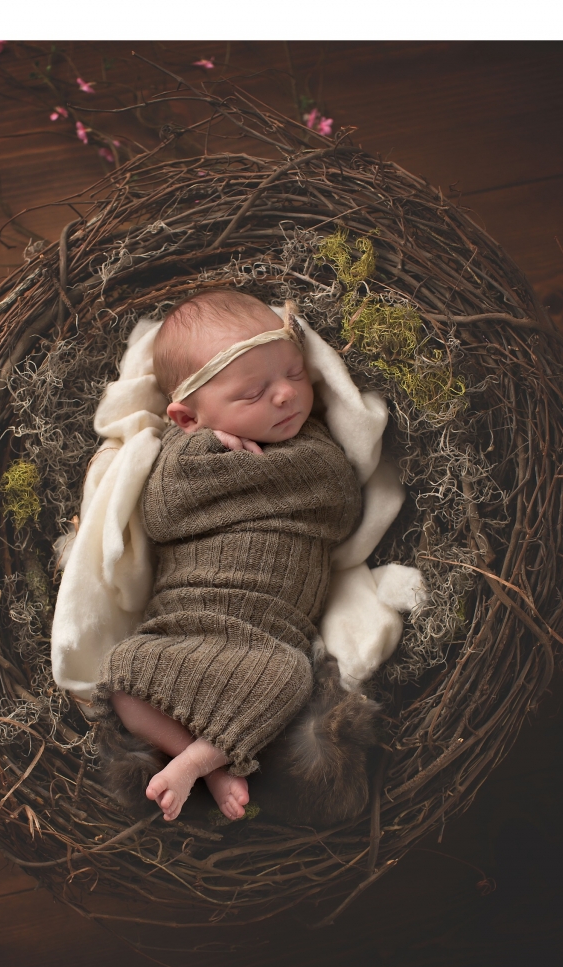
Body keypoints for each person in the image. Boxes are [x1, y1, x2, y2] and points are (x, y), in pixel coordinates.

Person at [92, 290, 373, 823]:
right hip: (181, 624)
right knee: (123, 674)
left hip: (269, 635)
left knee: (291, 677)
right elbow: (163, 515)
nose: (287, 396)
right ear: (186, 417)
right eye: (253, 393)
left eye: (294, 373)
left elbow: (339, 504)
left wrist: (263, 468)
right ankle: (204, 761)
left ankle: (201, 759)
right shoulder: (182, 456)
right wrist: (204, 456)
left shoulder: (315, 450)